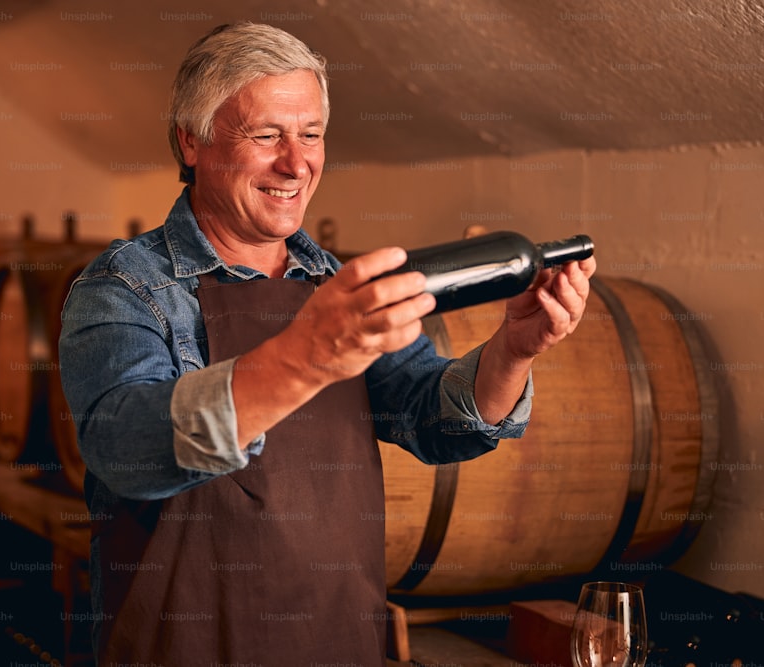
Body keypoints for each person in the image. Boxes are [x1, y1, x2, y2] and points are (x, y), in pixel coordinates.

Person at [58, 21, 596, 667]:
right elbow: (125, 449)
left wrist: (514, 349)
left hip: (337, 642)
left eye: (310, 134)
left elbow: (434, 419)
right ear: (191, 141)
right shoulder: (125, 286)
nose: (296, 162)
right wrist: (306, 353)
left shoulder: (335, 282)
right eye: (266, 135)